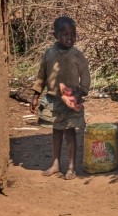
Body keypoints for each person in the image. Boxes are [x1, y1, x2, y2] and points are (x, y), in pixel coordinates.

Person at [30, 16, 90, 180]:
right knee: (56, 133)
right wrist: (36, 95)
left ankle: (71, 167)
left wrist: (78, 94)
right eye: (64, 34)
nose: (69, 38)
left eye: (73, 34)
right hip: (53, 101)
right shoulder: (49, 54)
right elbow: (42, 75)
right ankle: (55, 164)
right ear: (55, 35)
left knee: (70, 133)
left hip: (72, 101)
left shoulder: (78, 55)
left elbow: (86, 79)